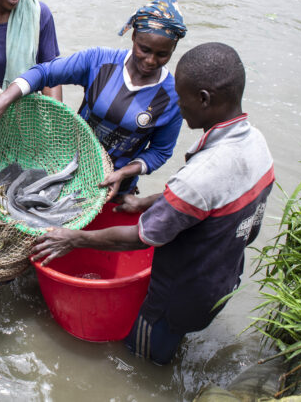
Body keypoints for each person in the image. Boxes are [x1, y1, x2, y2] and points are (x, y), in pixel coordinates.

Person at [30, 42, 275, 365]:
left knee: (140, 363)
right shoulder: (256, 144)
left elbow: (140, 237)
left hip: (176, 297)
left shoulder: (198, 176)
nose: (178, 105)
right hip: (224, 280)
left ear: (204, 98)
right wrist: (145, 202)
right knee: (175, 341)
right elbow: (214, 202)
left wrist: (75, 238)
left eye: (181, 96)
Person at [0, 0, 187, 200]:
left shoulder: (173, 96)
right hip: (67, 171)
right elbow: (44, 73)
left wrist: (124, 173)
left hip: (116, 189)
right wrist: (5, 98)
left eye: (162, 55)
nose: (150, 60)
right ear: (133, 37)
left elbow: (160, 151)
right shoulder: (99, 61)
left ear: (173, 49)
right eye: (144, 49)